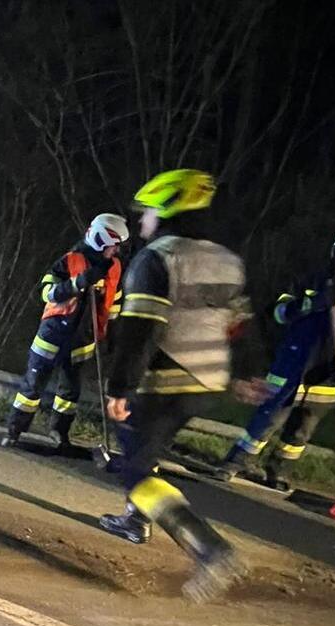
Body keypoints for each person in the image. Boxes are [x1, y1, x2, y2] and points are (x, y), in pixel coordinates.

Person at [98, 169, 268, 602]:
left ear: (168, 209)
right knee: (146, 449)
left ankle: (211, 550)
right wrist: (250, 372)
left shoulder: (157, 259)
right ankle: (137, 518)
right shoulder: (228, 261)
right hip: (209, 383)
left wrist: (120, 387)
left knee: (134, 468)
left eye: (148, 212)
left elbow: (141, 330)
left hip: (166, 380)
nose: (142, 220)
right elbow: (242, 325)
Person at [211, 226, 335, 490]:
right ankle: (235, 462)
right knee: (268, 418)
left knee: (301, 430)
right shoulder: (313, 280)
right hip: (291, 365)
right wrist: (313, 303)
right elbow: (278, 313)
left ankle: (277, 470)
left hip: (327, 375)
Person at [2, 213, 129, 450]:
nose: (116, 251)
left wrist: (112, 334)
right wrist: (79, 283)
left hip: (82, 340)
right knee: (32, 387)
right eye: (114, 245)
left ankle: (59, 434)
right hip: (53, 336)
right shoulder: (70, 261)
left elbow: (115, 302)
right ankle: (15, 430)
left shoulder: (114, 268)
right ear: (101, 240)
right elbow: (47, 293)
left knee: (69, 395)